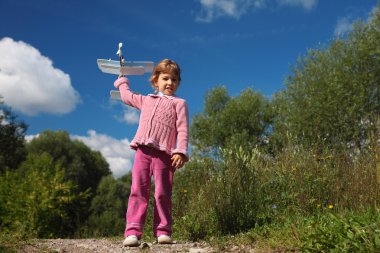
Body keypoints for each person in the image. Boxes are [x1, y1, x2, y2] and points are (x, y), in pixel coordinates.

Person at [113, 59, 189, 247]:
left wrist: (180, 151)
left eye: (174, 79)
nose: (170, 82)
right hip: (143, 151)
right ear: (156, 81)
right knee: (138, 190)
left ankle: (163, 231)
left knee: (163, 193)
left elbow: (183, 130)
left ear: (178, 83)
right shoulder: (146, 100)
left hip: (166, 155)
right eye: (165, 78)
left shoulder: (179, 104)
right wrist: (122, 81)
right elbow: (127, 97)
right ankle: (132, 231)